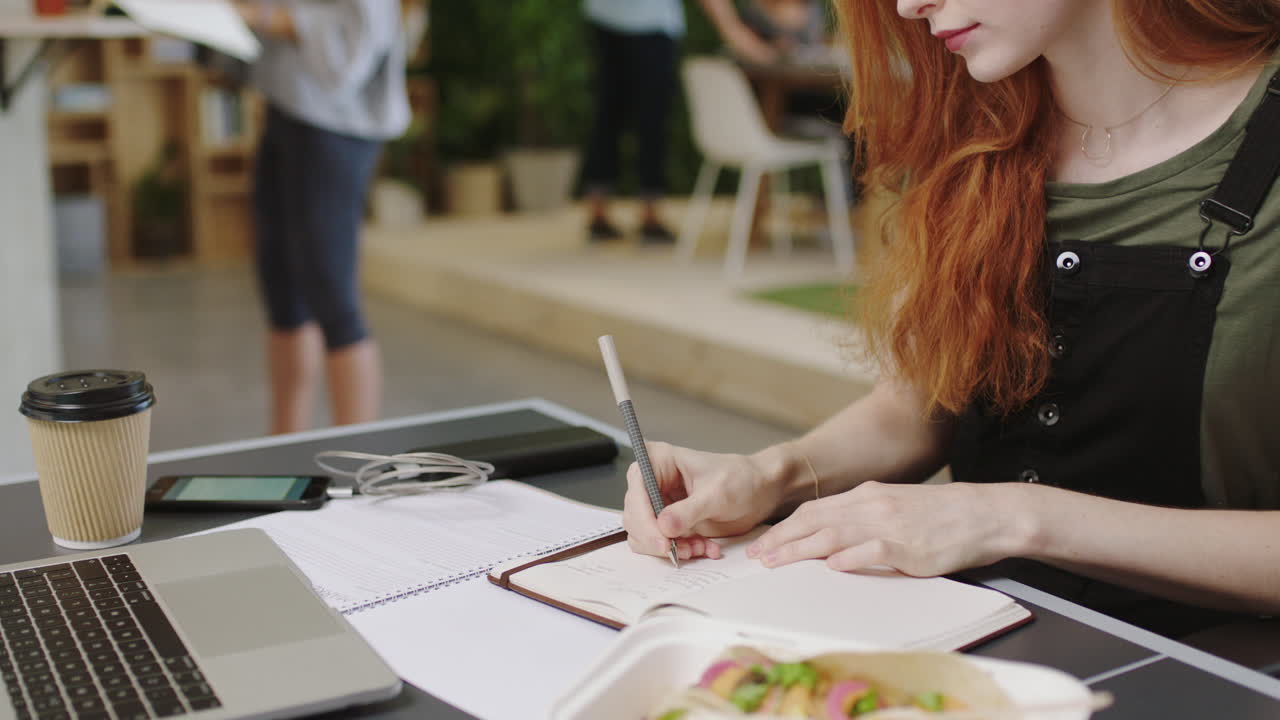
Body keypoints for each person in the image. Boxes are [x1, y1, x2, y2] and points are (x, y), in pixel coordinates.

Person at [623, 0, 1280, 651]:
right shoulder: (972, 129)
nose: (910, 5)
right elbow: (920, 408)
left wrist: (1014, 518)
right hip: (966, 654)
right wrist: (771, 475)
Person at [233, 1, 410, 434]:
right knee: (283, 296)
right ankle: (284, 451)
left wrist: (268, 18)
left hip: (336, 123)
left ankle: (359, 465)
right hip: (284, 107)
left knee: (332, 294)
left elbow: (352, 55)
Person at [580, 0, 684, 244]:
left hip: (605, 17)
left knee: (607, 115)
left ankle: (598, 212)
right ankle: (650, 215)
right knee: (652, 120)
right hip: (652, 23)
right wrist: (734, 31)